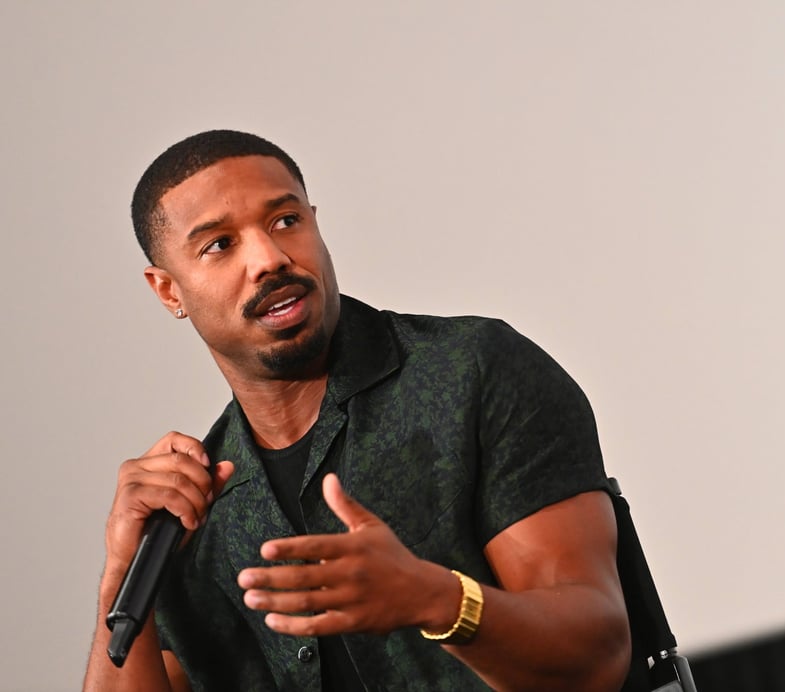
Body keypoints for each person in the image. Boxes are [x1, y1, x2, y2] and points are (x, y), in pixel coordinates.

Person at [83, 130, 631, 691]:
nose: (270, 258)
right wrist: (121, 577)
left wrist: (436, 599)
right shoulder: (192, 511)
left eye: (286, 221)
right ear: (168, 291)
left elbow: (597, 655)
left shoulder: (473, 373)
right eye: (220, 245)